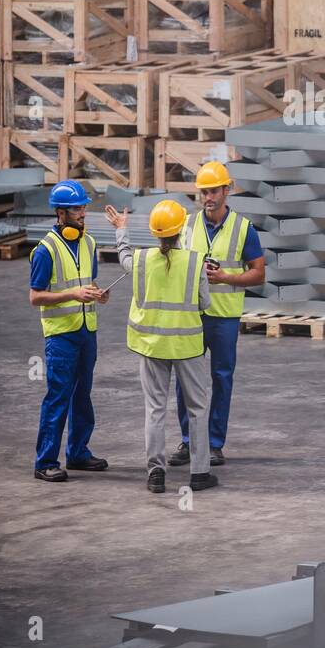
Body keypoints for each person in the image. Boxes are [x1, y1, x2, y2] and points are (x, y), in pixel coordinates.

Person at [105, 200, 218, 495]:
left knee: (155, 409)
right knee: (197, 408)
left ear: (155, 233)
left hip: (152, 345)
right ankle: (199, 473)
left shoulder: (142, 260)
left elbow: (125, 259)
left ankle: (156, 473)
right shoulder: (195, 262)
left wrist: (121, 230)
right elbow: (205, 303)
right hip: (187, 347)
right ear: (181, 230)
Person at [169, 161, 265, 469]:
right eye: (203, 192)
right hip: (192, 316)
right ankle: (188, 441)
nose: (208, 197)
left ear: (227, 190)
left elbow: (259, 274)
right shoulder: (187, 226)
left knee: (221, 378)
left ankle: (213, 444)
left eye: (213, 191)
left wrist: (225, 278)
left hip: (224, 317)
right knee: (186, 379)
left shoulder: (243, 228)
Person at [29, 180, 109, 483]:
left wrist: (98, 294)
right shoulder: (45, 250)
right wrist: (72, 295)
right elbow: (35, 296)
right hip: (61, 335)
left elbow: (87, 284)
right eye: (77, 208)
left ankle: (78, 452)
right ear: (60, 213)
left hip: (87, 330)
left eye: (84, 206)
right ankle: (45, 461)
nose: (83, 212)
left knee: (82, 396)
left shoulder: (89, 243)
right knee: (58, 397)